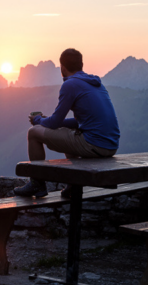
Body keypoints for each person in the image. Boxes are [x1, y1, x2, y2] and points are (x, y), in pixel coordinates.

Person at [14, 48, 120, 198]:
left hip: (95, 145)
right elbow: (79, 122)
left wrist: (38, 120)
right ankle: (72, 185)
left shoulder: (70, 85)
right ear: (81, 65)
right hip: (111, 146)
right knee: (69, 133)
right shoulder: (95, 83)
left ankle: (37, 184)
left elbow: (55, 122)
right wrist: (52, 122)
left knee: (33, 133)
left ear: (62, 67)